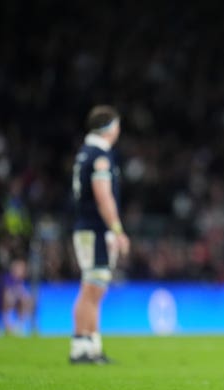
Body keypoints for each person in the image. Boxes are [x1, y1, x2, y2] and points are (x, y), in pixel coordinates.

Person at [69, 105, 130, 364]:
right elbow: (103, 196)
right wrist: (116, 229)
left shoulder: (86, 153)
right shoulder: (100, 155)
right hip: (95, 229)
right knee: (92, 288)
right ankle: (82, 346)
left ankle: (89, 344)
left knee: (92, 287)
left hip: (86, 227)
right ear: (109, 127)